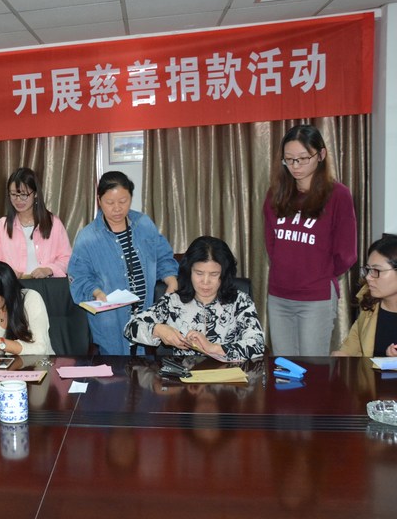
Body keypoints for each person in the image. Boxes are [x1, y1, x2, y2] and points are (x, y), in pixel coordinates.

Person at [264, 124, 357, 356]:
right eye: (289, 159)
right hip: (279, 295)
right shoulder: (275, 194)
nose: (295, 166)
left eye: (303, 158)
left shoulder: (338, 195)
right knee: (284, 366)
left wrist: (318, 272)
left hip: (316, 296)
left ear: (321, 155)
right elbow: (271, 243)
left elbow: (346, 253)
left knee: (313, 367)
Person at [67, 171, 178, 355]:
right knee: (116, 369)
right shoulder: (87, 238)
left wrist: (171, 280)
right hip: (111, 322)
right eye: (110, 203)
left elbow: (163, 256)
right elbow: (78, 276)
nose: (117, 208)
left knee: (145, 369)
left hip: (146, 317)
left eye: (123, 201)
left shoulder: (143, 224)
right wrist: (96, 292)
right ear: (99, 200)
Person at [124, 236, 265, 362]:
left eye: (214, 274)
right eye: (199, 273)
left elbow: (258, 344)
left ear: (224, 274)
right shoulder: (173, 301)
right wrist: (158, 329)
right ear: (189, 271)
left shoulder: (240, 301)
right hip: (184, 378)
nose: (205, 281)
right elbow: (130, 328)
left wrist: (213, 348)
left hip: (229, 378)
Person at [0, 167, 71, 278]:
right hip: (13, 285)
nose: (18, 200)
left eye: (23, 195)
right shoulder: (2, 226)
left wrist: (49, 269)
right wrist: (7, 272)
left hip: (46, 284)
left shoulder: (54, 223)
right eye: (13, 194)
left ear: (35, 194)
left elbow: (67, 258)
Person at [333, 235, 397, 357]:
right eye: (368, 270)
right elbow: (352, 344)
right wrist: (342, 356)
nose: (368, 277)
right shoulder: (369, 302)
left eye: (376, 270)